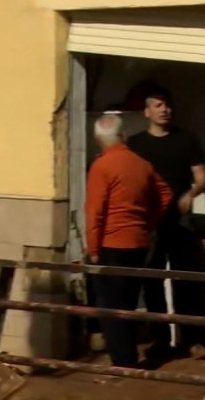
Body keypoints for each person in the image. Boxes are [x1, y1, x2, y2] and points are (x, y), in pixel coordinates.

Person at [86, 114, 172, 368]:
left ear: (98, 140)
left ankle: (123, 362)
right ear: (123, 136)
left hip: (111, 243)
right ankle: (128, 357)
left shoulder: (102, 166)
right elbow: (165, 193)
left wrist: (93, 250)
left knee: (111, 307)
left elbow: (95, 211)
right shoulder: (142, 164)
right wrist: (149, 222)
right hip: (139, 242)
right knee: (129, 302)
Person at [126, 83, 205, 357]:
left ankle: (192, 339)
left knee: (188, 280)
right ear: (146, 111)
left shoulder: (186, 139)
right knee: (153, 281)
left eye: (167, 105)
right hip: (150, 223)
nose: (165, 110)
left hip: (182, 221)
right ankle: (161, 340)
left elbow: (201, 177)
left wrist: (190, 194)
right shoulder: (135, 145)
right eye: (158, 105)